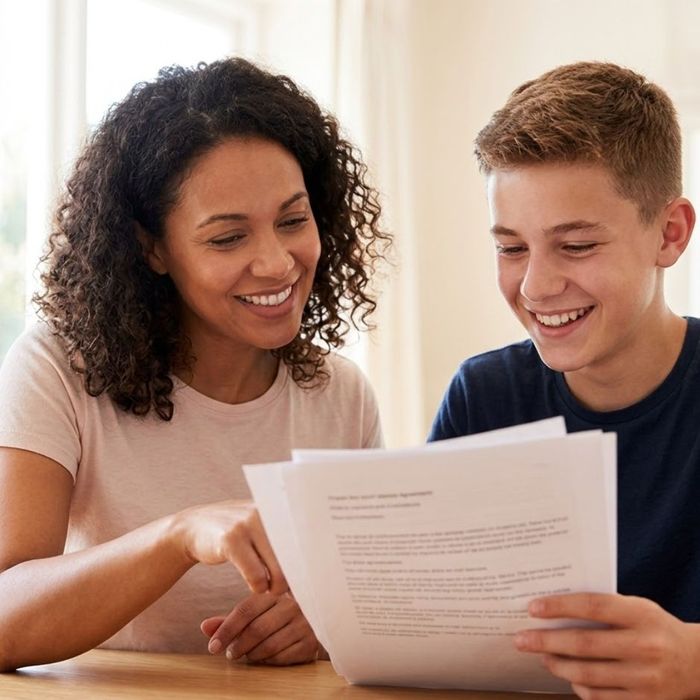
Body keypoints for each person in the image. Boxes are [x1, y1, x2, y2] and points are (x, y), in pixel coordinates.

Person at [0, 57, 389, 671]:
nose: (277, 264)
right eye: (228, 238)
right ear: (152, 248)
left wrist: (324, 623)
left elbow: (371, 602)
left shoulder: (340, 396)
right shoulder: (58, 368)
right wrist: (180, 535)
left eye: (292, 220)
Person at [429, 62, 700, 699]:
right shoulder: (482, 398)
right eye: (511, 247)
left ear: (669, 234)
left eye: (576, 246)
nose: (535, 286)